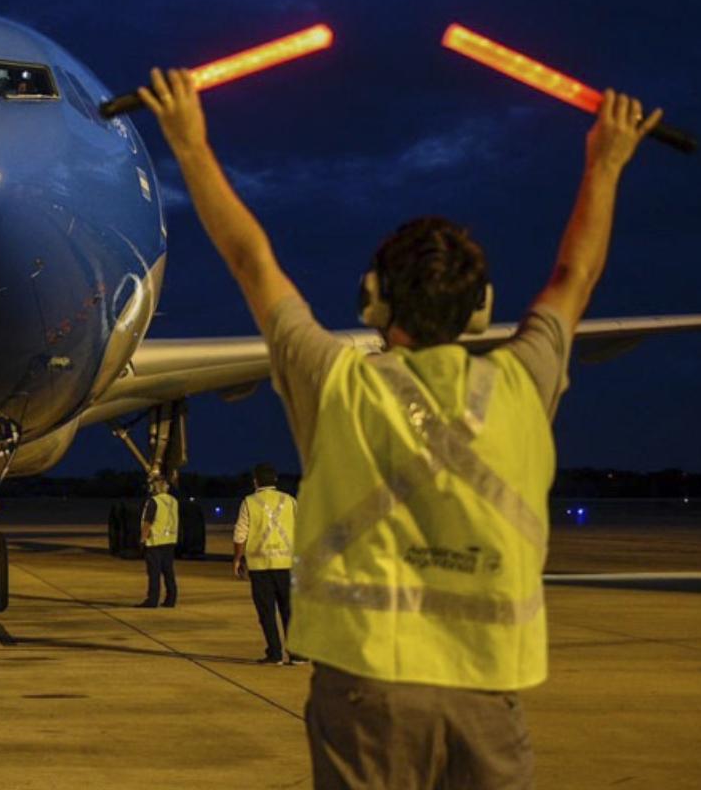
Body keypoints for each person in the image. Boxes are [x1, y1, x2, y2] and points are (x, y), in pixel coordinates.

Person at [140, 68, 662, 788]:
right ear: (482, 310)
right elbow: (575, 276)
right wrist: (607, 161)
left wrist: (189, 145)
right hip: (486, 696)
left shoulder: (338, 384)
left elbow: (251, 261)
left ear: (372, 301)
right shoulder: (520, 384)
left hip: (367, 697)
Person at [233, 463, 297, 664]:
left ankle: (275, 653)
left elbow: (240, 534)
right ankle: (297, 655)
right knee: (290, 611)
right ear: (275, 480)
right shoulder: (290, 501)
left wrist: (237, 559)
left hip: (260, 566)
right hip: (286, 564)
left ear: (255, 481)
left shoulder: (249, 502)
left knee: (267, 612)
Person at [136, 475, 178, 608]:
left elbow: (148, 522)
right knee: (168, 571)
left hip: (155, 542)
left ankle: (152, 600)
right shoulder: (173, 501)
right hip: (170, 541)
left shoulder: (154, 502)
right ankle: (171, 598)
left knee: (154, 573)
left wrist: (142, 539)